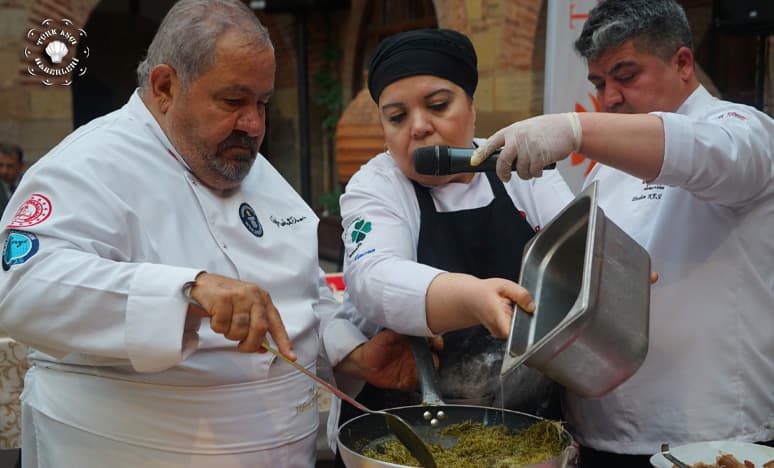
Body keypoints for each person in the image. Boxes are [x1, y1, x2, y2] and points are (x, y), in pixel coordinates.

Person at [0, 1, 420, 467]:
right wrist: (189, 290)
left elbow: (303, 294)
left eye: (263, 103)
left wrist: (353, 354)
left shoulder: (255, 171)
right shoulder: (87, 165)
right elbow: (20, 286)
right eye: (233, 101)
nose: (255, 125)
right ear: (164, 87)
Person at [471, 0, 774, 466]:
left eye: (626, 76)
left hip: (712, 436)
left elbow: (707, 154)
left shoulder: (742, 130)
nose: (609, 97)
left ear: (683, 63)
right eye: (598, 83)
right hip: (601, 436)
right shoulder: (604, 173)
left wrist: (574, 128)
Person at [331, 28, 575, 464]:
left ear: (473, 107)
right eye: (396, 116)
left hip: (531, 431)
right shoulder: (377, 185)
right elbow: (373, 276)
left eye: (438, 105)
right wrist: (471, 297)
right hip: (414, 435)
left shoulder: (517, 169)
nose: (420, 127)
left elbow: (576, 249)